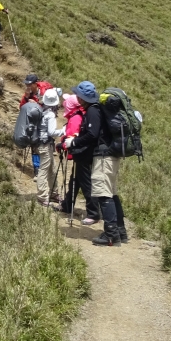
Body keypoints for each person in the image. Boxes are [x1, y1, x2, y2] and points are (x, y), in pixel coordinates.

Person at [63, 81, 127, 246]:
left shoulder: (93, 110)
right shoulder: (99, 108)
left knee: (104, 195)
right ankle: (120, 232)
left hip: (103, 157)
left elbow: (92, 134)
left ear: (82, 97)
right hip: (111, 155)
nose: (76, 97)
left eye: (78, 95)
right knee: (112, 193)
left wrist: (74, 142)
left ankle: (111, 235)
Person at [58, 92, 100, 223]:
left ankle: (93, 213)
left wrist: (69, 144)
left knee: (86, 183)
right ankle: (67, 205)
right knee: (75, 181)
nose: (64, 105)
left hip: (83, 153)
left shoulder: (78, 117)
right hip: (82, 153)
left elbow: (80, 136)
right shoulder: (82, 114)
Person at [32, 87, 64, 207]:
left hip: (42, 143)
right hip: (45, 144)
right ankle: (42, 196)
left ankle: (53, 193)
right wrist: (63, 131)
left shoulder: (42, 109)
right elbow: (52, 132)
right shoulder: (50, 114)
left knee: (52, 168)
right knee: (44, 169)